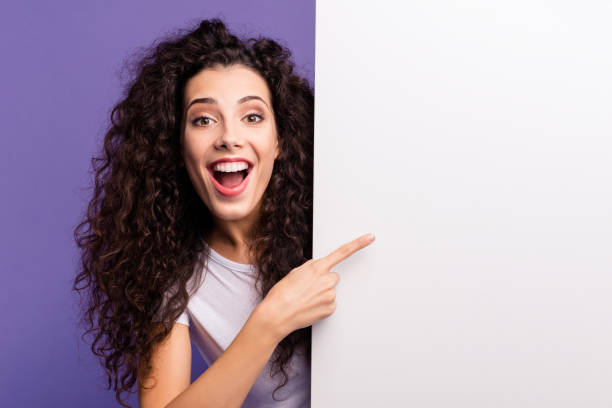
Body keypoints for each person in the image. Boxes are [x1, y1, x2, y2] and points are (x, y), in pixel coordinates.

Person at [73, 18, 374, 408]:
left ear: (280, 140)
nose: (229, 137)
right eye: (204, 120)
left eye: (252, 116)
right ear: (178, 149)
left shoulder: (336, 227)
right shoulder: (170, 273)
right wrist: (269, 322)